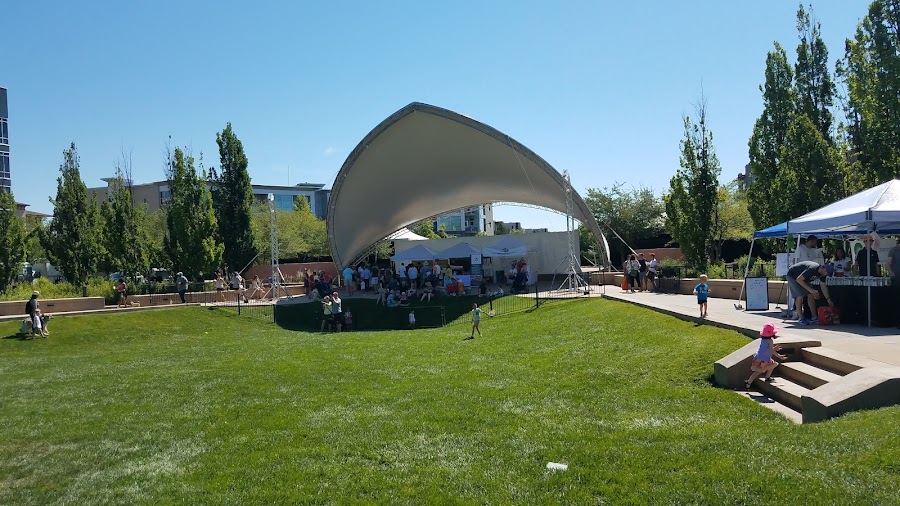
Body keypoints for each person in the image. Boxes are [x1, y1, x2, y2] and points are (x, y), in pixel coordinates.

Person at [787, 260, 834, 325]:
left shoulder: (822, 274)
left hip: (803, 278)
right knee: (799, 295)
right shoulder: (812, 269)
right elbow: (799, 279)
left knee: (811, 295)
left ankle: (814, 317)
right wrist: (811, 290)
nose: (826, 274)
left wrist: (828, 299)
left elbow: (823, 286)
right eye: (826, 272)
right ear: (824, 268)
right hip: (792, 275)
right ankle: (801, 318)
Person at [744, 323, 787, 388]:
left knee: (771, 365)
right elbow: (771, 350)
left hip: (760, 357)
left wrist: (774, 348)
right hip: (764, 359)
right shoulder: (770, 340)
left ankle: (766, 377)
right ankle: (749, 382)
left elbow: (766, 348)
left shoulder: (763, 339)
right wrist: (779, 356)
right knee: (759, 371)